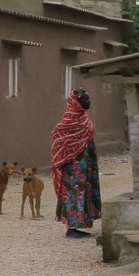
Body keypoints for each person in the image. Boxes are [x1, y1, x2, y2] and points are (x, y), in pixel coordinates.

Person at [50, 88, 102, 239]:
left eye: (89, 99)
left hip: (87, 165)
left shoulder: (84, 117)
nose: (89, 102)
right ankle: (71, 227)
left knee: (85, 192)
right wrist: (66, 156)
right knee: (75, 193)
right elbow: (58, 138)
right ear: (77, 101)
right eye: (85, 99)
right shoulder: (69, 120)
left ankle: (79, 225)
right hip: (74, 168)